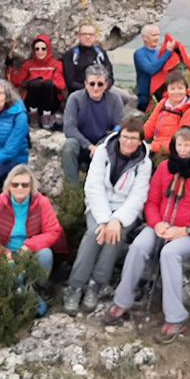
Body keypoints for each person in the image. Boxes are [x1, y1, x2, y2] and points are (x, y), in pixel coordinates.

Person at [105, 126, 190, 343]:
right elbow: (153, 201)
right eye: (179, 144)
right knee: (138, 246)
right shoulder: (165, 168)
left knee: (169, 254)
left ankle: (175, 317)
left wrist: (185, 230)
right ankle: (122, 302)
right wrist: (156, 223)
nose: (183, 149)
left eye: (187, 145)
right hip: (161, 225)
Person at [63, 117, 153, 313]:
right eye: (125, 137)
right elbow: (93, 187)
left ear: (140, 141)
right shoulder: (103, 152)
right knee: (95, 232)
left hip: (125, 211)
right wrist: (104, 219)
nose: (128, 142)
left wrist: (116, 220)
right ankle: (76, 285)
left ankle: (96, 283)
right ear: (119, 136)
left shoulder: (144, 163)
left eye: (133, 138)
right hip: (99, 206)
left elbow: (138, 196)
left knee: (116, 235)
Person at [0, 165, 64, 282]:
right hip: (5, 254)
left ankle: (38, 287)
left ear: (31, 186)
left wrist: (29, 246)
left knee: (45, 254)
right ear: (9, 186)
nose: (19, 188)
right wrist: (2, 252)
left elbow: (53, 231)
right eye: (15, 184)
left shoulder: (42, 203)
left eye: (25, 185)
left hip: (31, 253)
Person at [61, 64, 125, 183]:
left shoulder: (115, 99)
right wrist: (89, 146)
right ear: (85, 84)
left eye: (100, 84)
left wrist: (101, 146)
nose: (95, 88)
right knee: (69, 146)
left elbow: (119, 126)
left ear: (106, 85)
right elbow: (69, 128)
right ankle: (72, 190)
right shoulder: (75, 99)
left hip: (105, 145)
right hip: (82, 145)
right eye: (92, 84)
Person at [7, 33, 66, 129]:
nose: (40, 51)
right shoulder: (28, 64)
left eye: (43, 49)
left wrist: (43, 81)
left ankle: (47, 116)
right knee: (35, 84)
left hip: (50, 100)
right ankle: (33, 116)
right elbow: (16, 81)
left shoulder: (56, 64)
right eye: (37, 49)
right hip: (32, 101)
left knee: (47, 84)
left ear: (48, 49)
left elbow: (61, 84)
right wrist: (9, 64)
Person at [143, 70, 190, 155]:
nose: (176, 92)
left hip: (179, 154)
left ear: (186, 89)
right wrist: (137, 138)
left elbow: (184, 141)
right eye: (172, 88)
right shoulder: (163, 103)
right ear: (167, 90)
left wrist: (153, 147)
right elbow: (149, 126)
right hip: (156, 147)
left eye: (180, 88)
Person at [62, 23, 114, 94]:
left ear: (95, 37)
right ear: (79, 36)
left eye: (91, 34)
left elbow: (110, 76)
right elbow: (70, 82)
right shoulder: (70, 55)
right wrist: (91, 88)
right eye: (84, 34)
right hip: (80, 91)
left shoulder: (101, 53)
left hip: (101, 89)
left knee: (125, 97)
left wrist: (103, 87)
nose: (88, 37)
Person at [132, 25, 174, 111]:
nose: (157, 38)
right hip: (145, 99)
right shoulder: (139, 53)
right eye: (153, 35)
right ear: (144, 38)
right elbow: (151, 70)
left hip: (160, 96)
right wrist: (168, 53)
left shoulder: (159, 53)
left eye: (158, 35)